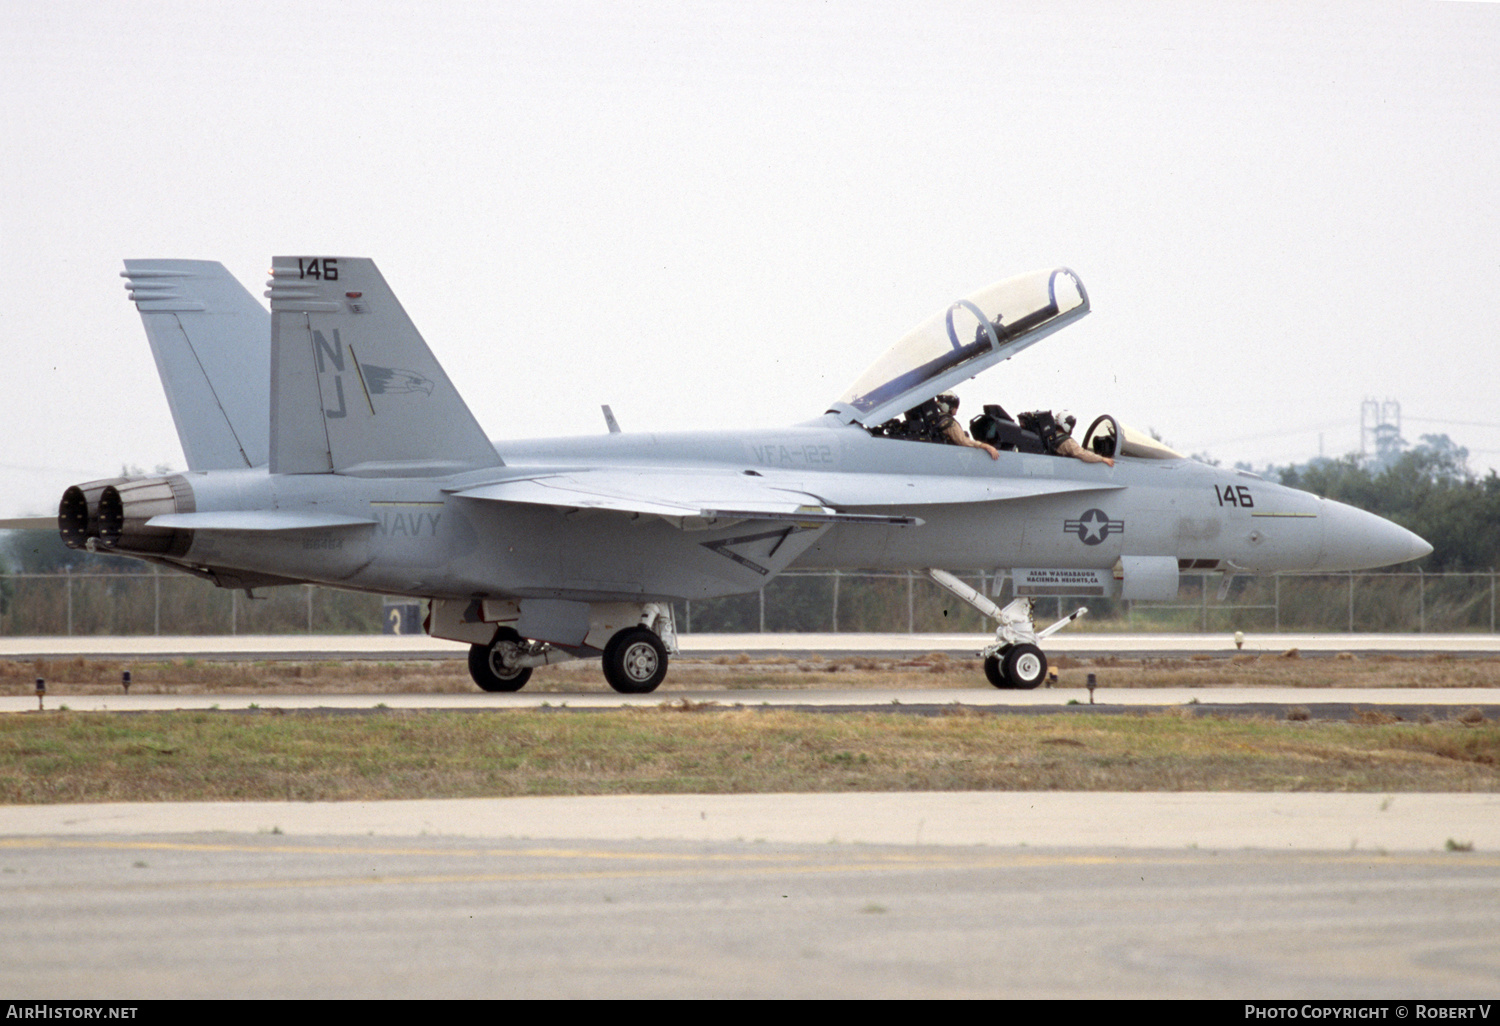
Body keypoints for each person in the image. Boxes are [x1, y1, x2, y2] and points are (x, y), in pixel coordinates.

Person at [934, 394, 999, 460]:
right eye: (955, 407)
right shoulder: (948, 423)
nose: (956, 410)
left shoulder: (938, 419)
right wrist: (986, 446)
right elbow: (963, 441)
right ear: (949, 406)